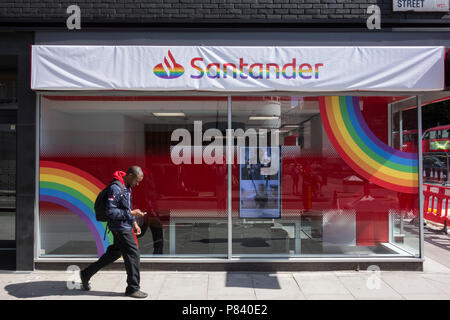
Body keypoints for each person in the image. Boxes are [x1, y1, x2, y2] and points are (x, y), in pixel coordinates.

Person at [80, 166, 148, 299]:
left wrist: (134, 222)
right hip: (120, 228)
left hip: (125, 226)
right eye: (136, 180)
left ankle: (86, 274)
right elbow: (110, 212)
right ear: (129, 175)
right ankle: (133, 288)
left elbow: (126, 206)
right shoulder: (116, 188)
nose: (137, 184)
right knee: (133, 255)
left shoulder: (126, 186)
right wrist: (132, 213)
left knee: (114, 253)